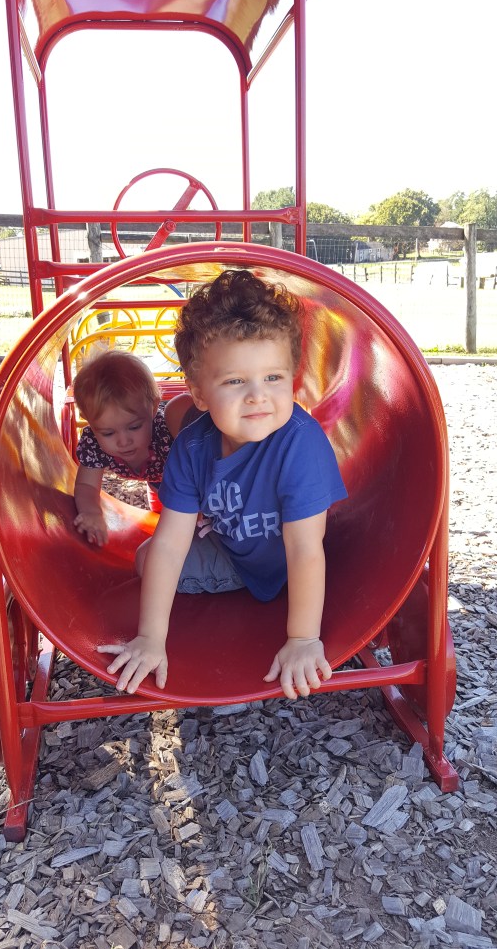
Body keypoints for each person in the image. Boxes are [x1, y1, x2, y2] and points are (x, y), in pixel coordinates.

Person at [98, 270, 348, 700]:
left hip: (289, 560)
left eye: (274, 378)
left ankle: (294, 607)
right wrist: (151, 638)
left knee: (302, 557)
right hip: (232, 554)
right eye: (234, 381)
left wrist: (304, 639)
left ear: (294, 378)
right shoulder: (193, 448)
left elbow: (306, 549)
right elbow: (171, 542)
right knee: (146, 558)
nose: (257, 396)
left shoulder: (300, 445)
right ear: (198, 393)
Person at [73, 350, 194, 546]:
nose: (123, 441)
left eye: (134, 427)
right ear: (89, 422)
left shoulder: (166, 432)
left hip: (181, 480)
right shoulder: (94, 444)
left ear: (153, 408)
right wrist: (91, 512)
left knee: (178, 515)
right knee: (156, 509)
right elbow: (86, 486)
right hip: (153, 478)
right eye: (108, 433)